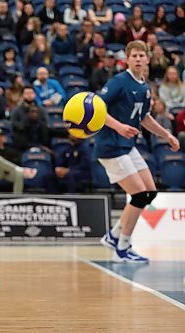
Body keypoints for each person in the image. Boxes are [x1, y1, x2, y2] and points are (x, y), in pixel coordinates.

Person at [97, 41, 180, 263]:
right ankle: (122, 247)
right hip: (111, 146)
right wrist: (119, 126)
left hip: (127, 146)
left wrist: (167, 135)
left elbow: (144, 118)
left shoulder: (144, 87)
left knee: (149, 192)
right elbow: (96, 108)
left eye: (141, 55)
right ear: (127, 58)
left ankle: (113, 235)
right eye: (133, 55)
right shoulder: (119, 82)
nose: (137, 59)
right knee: (140, 195)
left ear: (147, 59)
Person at [0, 128, 37, 193]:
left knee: (19, 174)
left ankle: (17, 198)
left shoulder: (10, 150)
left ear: (4, 138)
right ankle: (21, 170)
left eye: (1, 136)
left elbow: (17, 160)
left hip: (7, 174)